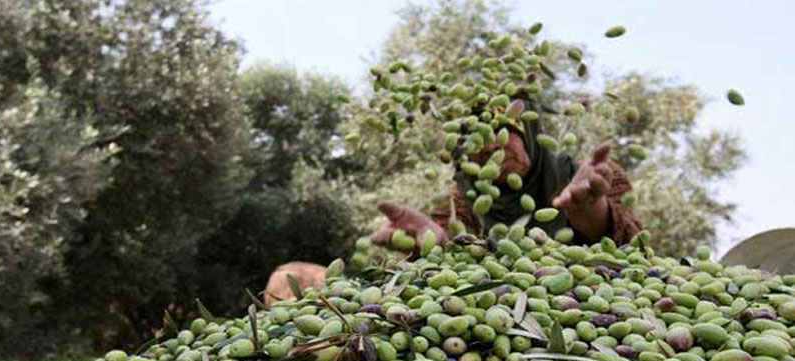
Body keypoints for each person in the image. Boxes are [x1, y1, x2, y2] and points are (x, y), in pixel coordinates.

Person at [264, 112, 641, 300]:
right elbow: (445, 265)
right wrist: (437, 243)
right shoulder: (463, 201)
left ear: (525, 133)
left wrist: (591, 212)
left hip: (591, 302)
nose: (492, 152)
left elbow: (635, 253)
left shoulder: (589, 177)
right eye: (477, 148)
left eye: (502, 138)